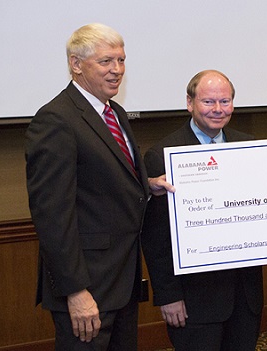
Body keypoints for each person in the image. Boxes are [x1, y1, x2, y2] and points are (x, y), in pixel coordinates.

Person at [25, 23, 173, 350]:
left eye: (121, 61)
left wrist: (146, 185)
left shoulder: (114, 112)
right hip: (87, 288)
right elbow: (52, 215)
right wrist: (75, 292)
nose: (117, 70)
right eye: (106, 62)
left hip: (121, 282)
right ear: (76, 64)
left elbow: (101, 182)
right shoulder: (56, 119)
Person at [140, 70, 263, 350]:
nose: (218, 110)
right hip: (193, 302)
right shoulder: (163, 155)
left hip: (246, 298)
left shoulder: (250, 147)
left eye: (225, 101)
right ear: (190, 103)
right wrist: (167, 295)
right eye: (208, 102)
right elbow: (156, 238)